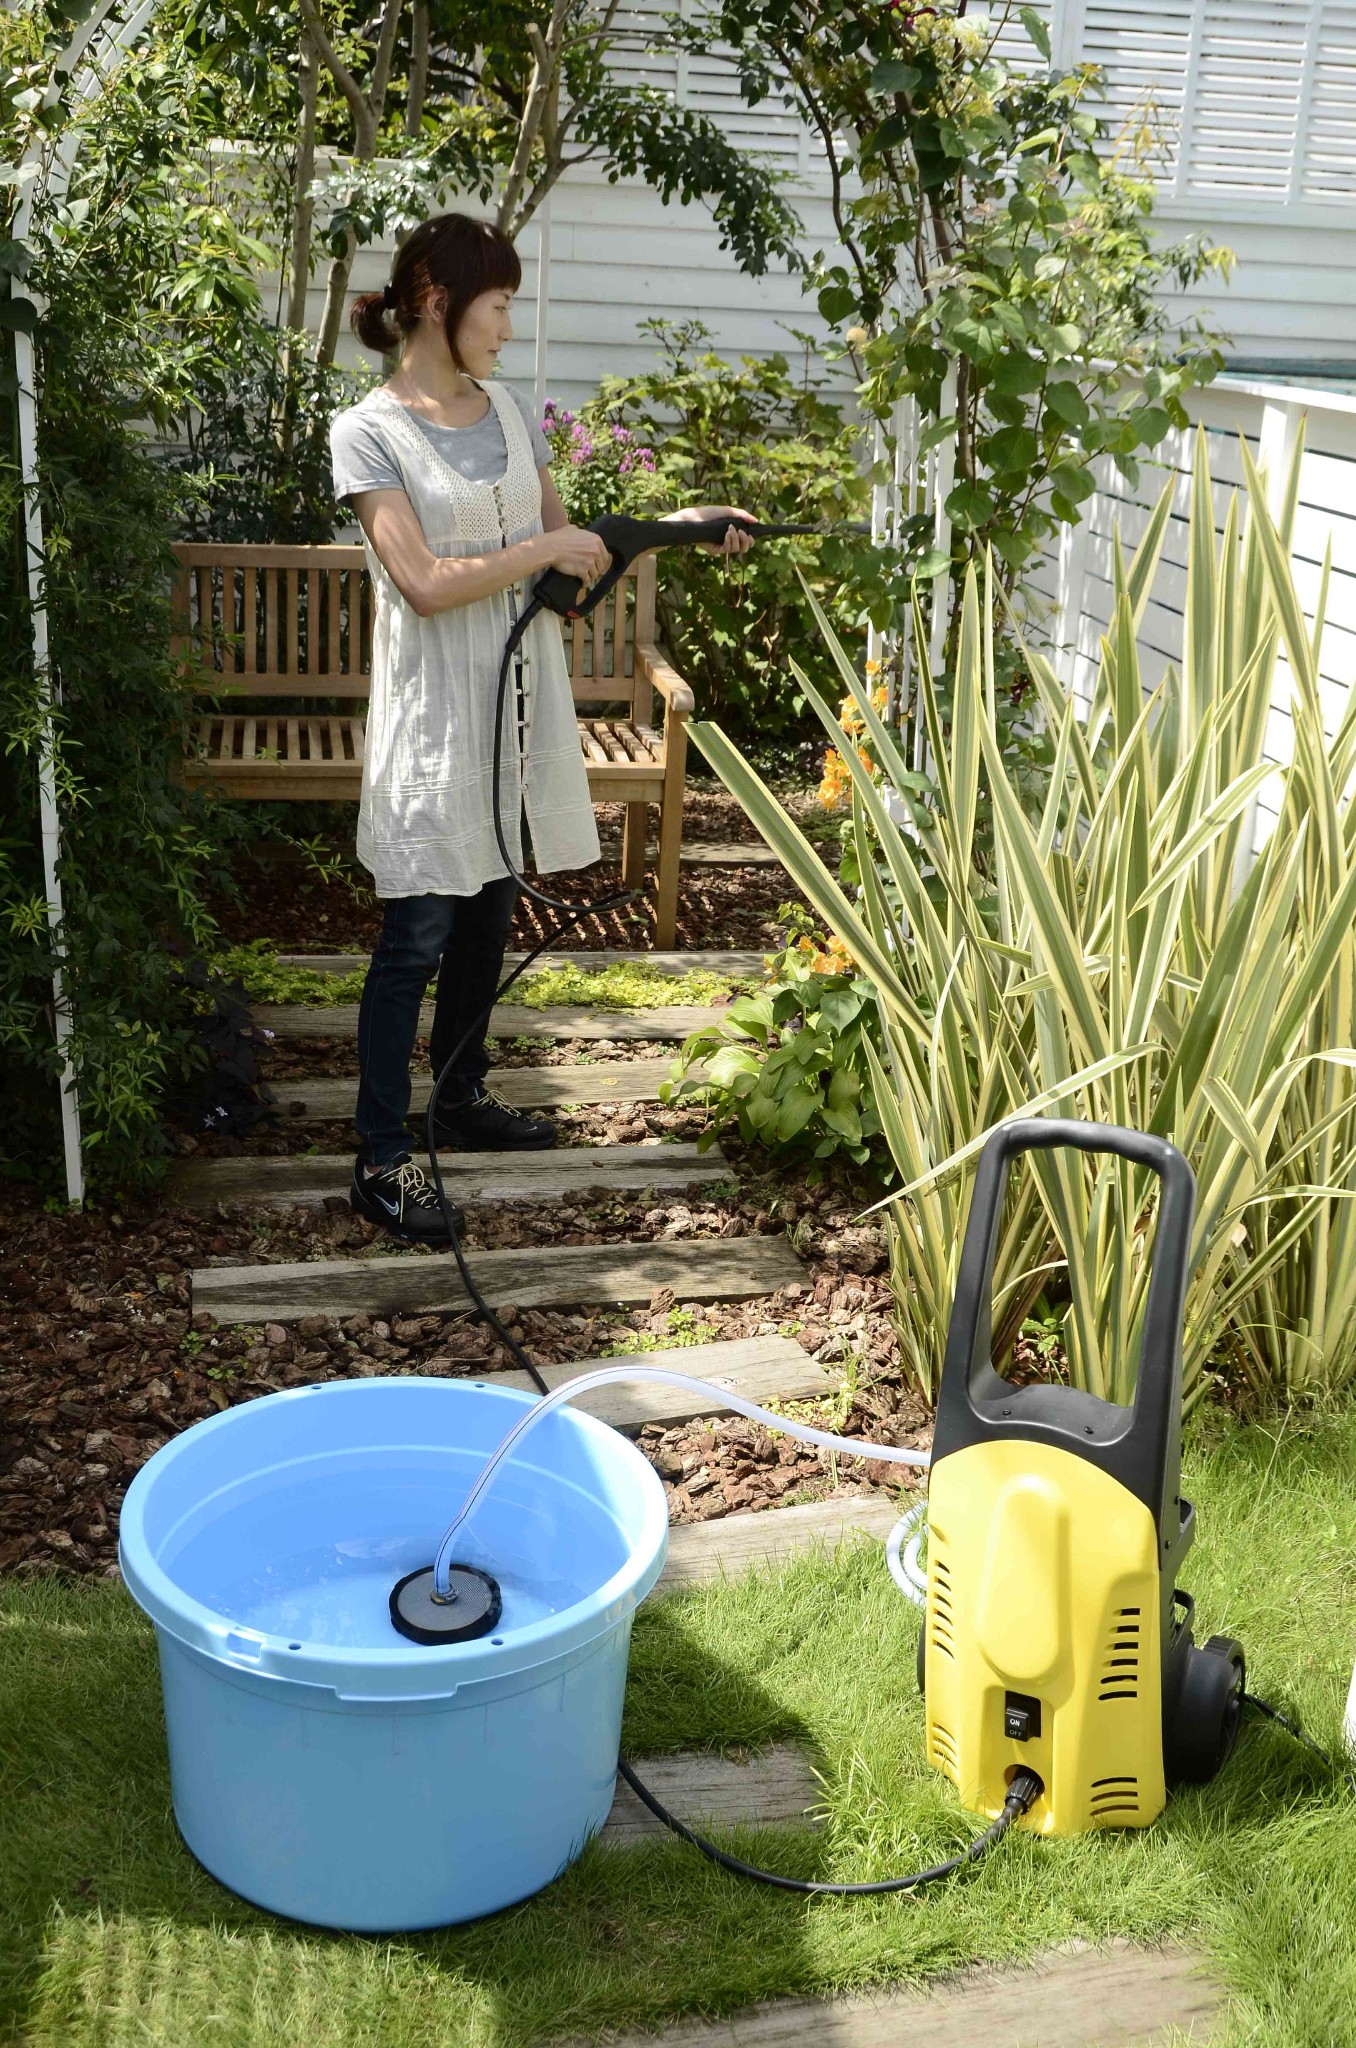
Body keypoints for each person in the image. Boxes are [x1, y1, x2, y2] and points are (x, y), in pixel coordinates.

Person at [328, 211, 756, 1246]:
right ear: (437, 300)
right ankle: (380, 1156)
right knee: (418, 931)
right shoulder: (368, 429)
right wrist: (542, 549)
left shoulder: (510, 412)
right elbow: (425, 583)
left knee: (487, 907)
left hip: (518, 705)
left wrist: (682, 526)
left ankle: (462, 1093)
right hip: (435, 717)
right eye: (500, 303)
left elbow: (567, 558)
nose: (509, 327)